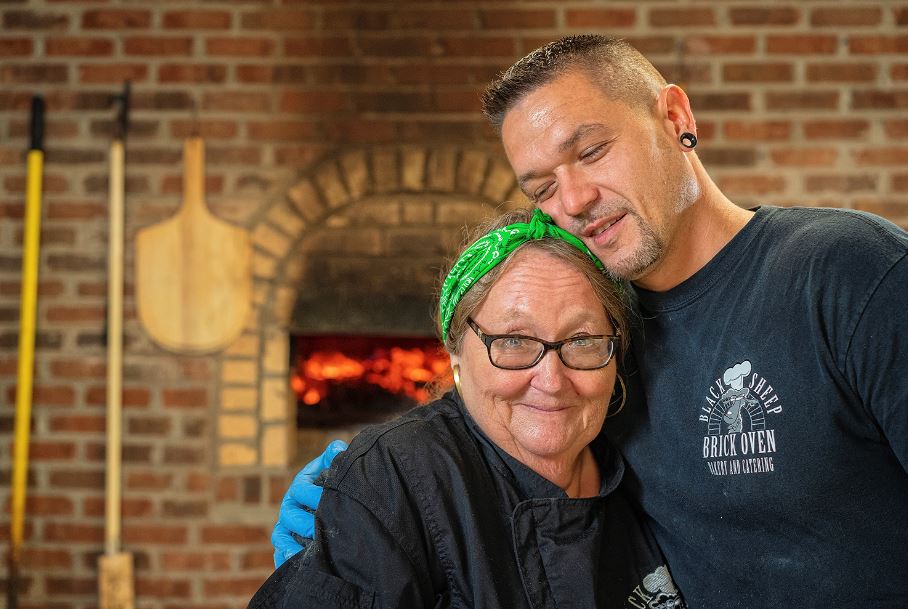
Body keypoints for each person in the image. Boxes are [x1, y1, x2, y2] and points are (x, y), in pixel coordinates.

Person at [274, 35, 908, 608]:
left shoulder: (850, 272)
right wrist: (371, 497)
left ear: (675, 118)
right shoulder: (592, 336)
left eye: (593, 151)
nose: (574, 200)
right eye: (542, 188)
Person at [248, 208, 686, 609]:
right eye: (513, 340)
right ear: (455, 354)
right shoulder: (394, 480)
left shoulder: (649, 464)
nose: (552, 381)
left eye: (582, 340)